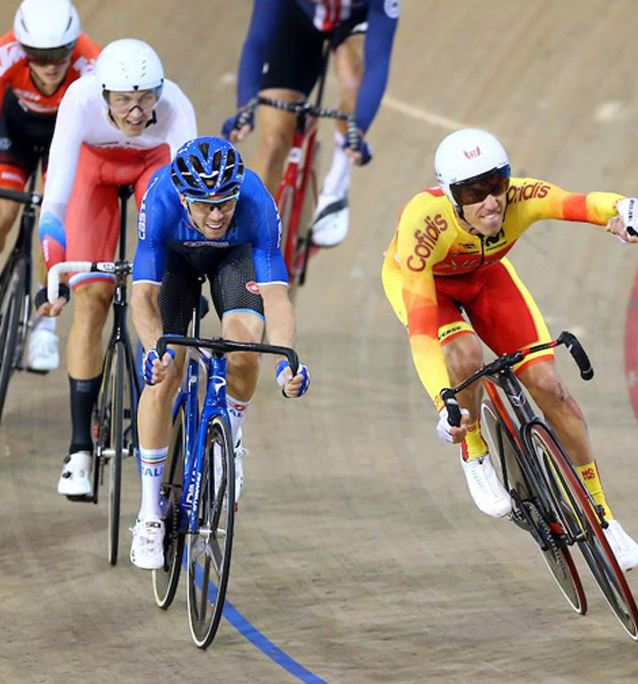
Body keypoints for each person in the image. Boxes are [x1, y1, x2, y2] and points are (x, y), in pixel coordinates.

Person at [382, 128, 638, 571]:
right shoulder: (423, 222)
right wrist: (444, 402)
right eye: (474, 192)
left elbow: (579, 203)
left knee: (551, 387)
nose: (491, 201)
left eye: (496, 186)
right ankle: (473, 447)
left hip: (486, 277)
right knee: (466, 355)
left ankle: (602, 515)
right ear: (453, 198)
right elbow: (421, 333)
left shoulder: (520, 199)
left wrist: (626, 209)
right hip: (428, 286)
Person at [128, 137, 311, 569]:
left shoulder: (257, 203)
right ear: (183, 197)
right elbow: (143, 297)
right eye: (204, 206)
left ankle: (233, 432)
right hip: (174, 263)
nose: (216, 214)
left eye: (225, 204)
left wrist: (287, 361)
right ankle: (149, 513)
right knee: (164, 376)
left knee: (244, 345)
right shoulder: (160, 202)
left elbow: (277, 298)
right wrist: (157, 351)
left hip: (234, 260)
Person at [37, 38, 198, 499]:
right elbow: (56, 203)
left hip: (152, 168)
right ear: (104, 94)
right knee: (93, 298)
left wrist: (184, 269)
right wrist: (55, 271)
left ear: (159, 92)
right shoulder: (80, 99)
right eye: (124, 100)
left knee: (158, 286)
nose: (136, 110)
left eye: (146, 98)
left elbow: (188, 201)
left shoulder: (176, 107)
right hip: (95, 171)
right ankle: (79, 450)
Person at [0, 0, 98, 371]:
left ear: (73, 46)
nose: (50, 66)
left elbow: (97, 136)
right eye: (38, 55)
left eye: (59, 54)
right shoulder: (4, 55)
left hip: (64, 135)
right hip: (12, 131)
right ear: (22, 49)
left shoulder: (91, 63)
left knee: (55, 221)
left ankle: (45, 322)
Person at [224, 0, 399, 248]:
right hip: (298, 16)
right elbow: (257, 40)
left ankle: (337, 185)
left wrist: (356, 132)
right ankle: (242, 244)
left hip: (356, 21)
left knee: (354, 78)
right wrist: (245, 108)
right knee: (274, 141)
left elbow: (378, 62)